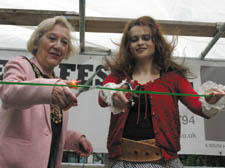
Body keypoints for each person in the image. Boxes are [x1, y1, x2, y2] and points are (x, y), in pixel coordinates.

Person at [98, 16, 225, 168]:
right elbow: (102, 98)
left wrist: (211, 100)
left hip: (163, 162)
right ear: (128, 46)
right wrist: (113, 94)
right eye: (134, 39)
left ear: (155, 42)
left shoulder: (173, 78)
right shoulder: (119, 75)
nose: (140, 42)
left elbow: (199, 106)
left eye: (146, 38)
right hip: (119, 162)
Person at [0, 16, 93, 168]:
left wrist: (75, 139)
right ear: (37, 41)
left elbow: (46, 132)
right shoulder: (20, 65)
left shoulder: (57, 83)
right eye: (52, 38)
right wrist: (51, 88)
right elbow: (9, 93)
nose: (58, 46)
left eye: (64, 42)